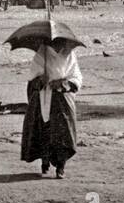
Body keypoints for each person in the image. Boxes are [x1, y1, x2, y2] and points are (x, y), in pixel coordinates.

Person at [20, 40, 83, 178]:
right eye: (55, 42)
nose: (58, 45)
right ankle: (45, 162)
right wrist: (40, 80)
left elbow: (76, 76)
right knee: (44, 129)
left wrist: (62, 83)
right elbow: (32, 78)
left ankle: (61, 167)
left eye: (60, 42)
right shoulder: (42, 53)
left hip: (62, 98)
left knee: (64, 132)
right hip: (44, 98)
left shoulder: (69, 54)